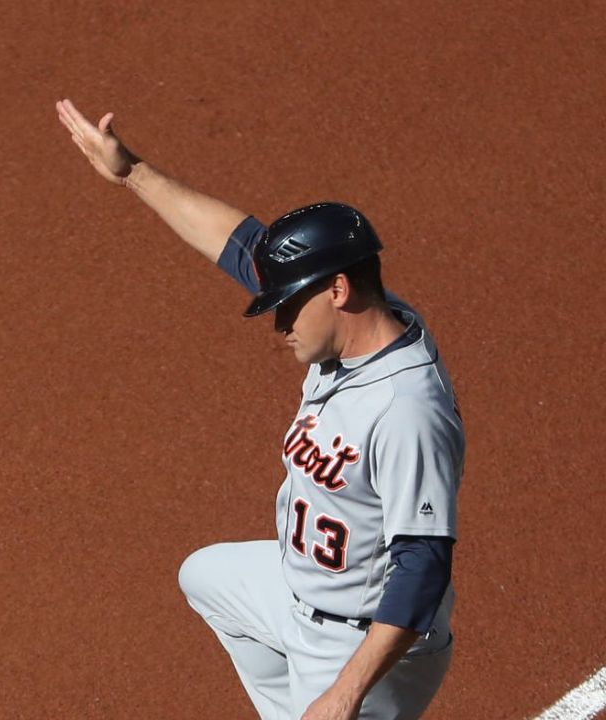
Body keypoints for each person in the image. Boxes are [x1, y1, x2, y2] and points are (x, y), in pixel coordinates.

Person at [56, 99, 462, 720]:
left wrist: (341, 696)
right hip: (297, 592)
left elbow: (423, 568)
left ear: (338, 289)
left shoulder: (406, 410)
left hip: (362, 643)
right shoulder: (357, 320)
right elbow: (244, 247)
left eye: (286, 307)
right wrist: (130, 172)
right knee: (206, 578)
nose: (277, 325)